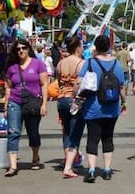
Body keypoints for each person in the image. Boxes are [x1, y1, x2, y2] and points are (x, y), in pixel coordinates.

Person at [77, 34, 126, 182]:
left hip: (93, 106)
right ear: (109, 47)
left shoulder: (90, 62)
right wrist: (124, 102)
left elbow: (79, 82)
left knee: (92, 138)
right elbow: (122, 86)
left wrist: (76, 96)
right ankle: (106, 169)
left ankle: (91, 170)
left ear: (95, 47)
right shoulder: (116, 64)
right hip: (112, 107)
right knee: (107, 138)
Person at [2, 38, 49, 177]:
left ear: (28, 49)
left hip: (33, 102)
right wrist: (5, 106)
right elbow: (8, 87)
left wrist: (44, 104)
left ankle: (35, 157)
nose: (21, 51)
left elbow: (44, 84)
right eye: (18, 49)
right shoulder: (12, 68)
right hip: (15, 101)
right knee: (13, 132)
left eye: (23, 48)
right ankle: (13, 166)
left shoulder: (38, 64)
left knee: (33, 132)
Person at [55, 37, 86, 178]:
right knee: (75, 132)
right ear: (78, 47)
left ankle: (68, 159)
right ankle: (71, 164)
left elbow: (58, 81)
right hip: (74, 100)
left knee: (66, 131)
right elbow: (80, 84)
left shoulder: (61, 63)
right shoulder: (81, 63)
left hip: (61, 99)